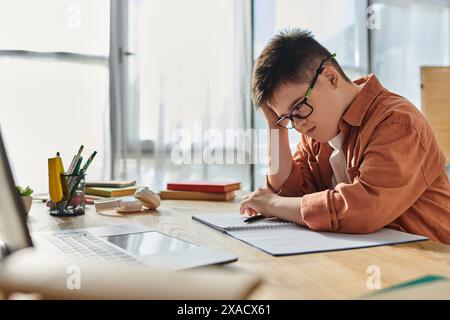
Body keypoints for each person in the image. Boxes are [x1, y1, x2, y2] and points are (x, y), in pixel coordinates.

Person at [240, 29, 450, 244]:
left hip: (428, 262)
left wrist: (271, 203)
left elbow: (363, 210)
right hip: (368, 256)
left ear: (330, 77)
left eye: (299, 107)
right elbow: (290, 196)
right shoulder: (317, 130)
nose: (299, 125)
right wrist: (276, 127)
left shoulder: (396, 122)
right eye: (289, 118)